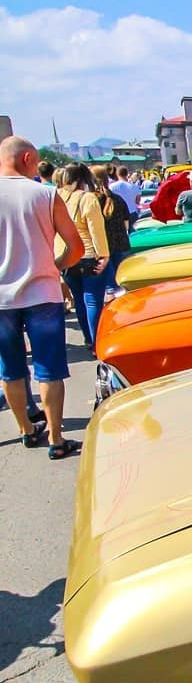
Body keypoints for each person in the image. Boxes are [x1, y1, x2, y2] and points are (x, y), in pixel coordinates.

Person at [0, 135, 84, 458]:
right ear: (27, 160)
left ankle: (25, 430)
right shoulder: (45, 195)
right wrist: (57, 265)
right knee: (49, 369)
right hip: (42, 292)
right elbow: (75, 247)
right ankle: (56, 438)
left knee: (11, 369)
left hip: (2, 300)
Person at [55, 163, 110, 353]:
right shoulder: (88, 199)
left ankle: (88, 338)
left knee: (78, 299)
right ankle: (97, 342)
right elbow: (96, 230)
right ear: (83, 179)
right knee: (93, 300)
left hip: (65, 256)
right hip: (88, 253)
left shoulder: (57, 197)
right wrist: (104, 255)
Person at [90, 165, 131, 292]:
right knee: (122, 285)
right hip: (121, 243)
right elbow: (126, 223)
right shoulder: (117, 199)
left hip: (102, 247)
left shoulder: (91, 201)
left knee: (110, 288)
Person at [110, 166, 142, 231]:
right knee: (134, 234)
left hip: (118, 213)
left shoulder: (111, 187)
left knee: (122, 234)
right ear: (127, 174)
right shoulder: (134, 186)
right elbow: (137, 201)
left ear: (117, 174)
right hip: (132, 212)